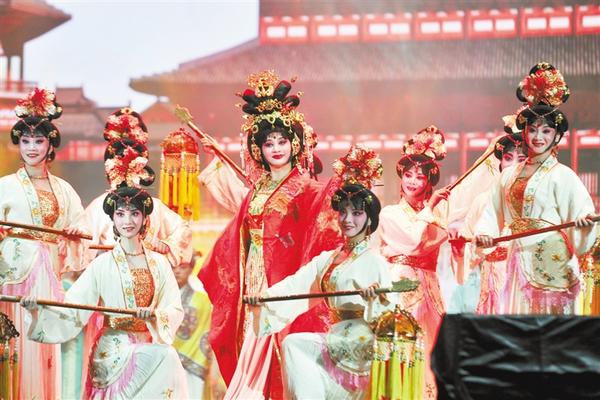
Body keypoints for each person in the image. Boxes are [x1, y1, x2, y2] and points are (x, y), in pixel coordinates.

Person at [198, 70, 341, 399]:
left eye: (281, 141)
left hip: (283, 277)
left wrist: (341, 183)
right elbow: (238, 232)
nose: (276, 148)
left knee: (277, 338)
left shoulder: (306, 188)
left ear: (294, 144)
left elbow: (323, 224)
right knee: (248, 335)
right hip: (252, 273)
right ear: (258, 149)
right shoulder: (256, 189)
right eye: (268, 143)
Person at [21, 184, 188, 399]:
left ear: (145, 218)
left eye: (135, 213)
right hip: (114, 350)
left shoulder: (160, 263)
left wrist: (155, 315)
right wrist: (37, 311)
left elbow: (174, 307)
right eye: (120, 214)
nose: (128, 221)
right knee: (166, 356)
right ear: (113, 220)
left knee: (167, 356)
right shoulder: (102, 265)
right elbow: (72, 307)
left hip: (148, 344)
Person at [246, 177, 391, 399]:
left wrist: (374, 300)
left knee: (295, 344)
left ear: (369, 219)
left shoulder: (375, 261)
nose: (347, 219)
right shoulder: (328, 259)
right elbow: (295, 285)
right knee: (293, 346)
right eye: (343, 212)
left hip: (362, 343)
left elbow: (390, 313)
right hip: (337, 337)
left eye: (356, 213)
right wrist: (264, 299)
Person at [475, 62, 596, 314]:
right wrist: (485, 233)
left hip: (555, 264)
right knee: (518, 323)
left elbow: (583, 218)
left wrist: (584, 225)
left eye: (546, 131)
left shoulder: (564, 176)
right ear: (524, 133)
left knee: (552, 329)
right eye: (532, 130)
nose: (538, 137)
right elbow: (491, 213)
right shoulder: (507, 175)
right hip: (518, 259)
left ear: (557, 137)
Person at [0, 88, 86, 400]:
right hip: (14, 276)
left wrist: (75, 232)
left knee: (45, 346)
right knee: (16, 343)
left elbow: (81, 225)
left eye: (38, 141)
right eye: (25, 141)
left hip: (49, 273)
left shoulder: (64, 189)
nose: (31, 148)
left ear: (50, 145)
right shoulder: (5, 186)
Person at [371, 125, 451, 399]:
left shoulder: (436, 215)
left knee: (432, 344)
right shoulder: (390, 213)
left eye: (420, 176)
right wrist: (430, 208)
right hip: (401, 285)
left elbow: (439, 242)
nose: (413, 181)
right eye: (408, 175)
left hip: (429, 288)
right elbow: (413, 242)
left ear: (429, 181)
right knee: (404, 343)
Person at [85, 108, 192, 267]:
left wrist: (167, 244)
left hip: (150, 270)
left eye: (133, 162)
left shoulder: (154, 206)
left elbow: (182, 229)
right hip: (112, 270)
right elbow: (83, 241)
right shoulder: (99, 205)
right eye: (120, 161)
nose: (127, 167)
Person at [448, 116, 528, 314]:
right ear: (500, 162)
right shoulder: (483, 201)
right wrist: (460, 254)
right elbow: (469, 253)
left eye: (521, 159)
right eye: (508, 158)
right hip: (491, 284)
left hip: (524, 281)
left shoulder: (535, 199)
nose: (513, 165)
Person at [172, 252, 226, 399]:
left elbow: (209, 332)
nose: (177, 271)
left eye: (183, 267)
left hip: (196, 360)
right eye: (173, 267)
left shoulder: (203, 300)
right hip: (166, 359)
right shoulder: (162, 297)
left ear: (191, 269)